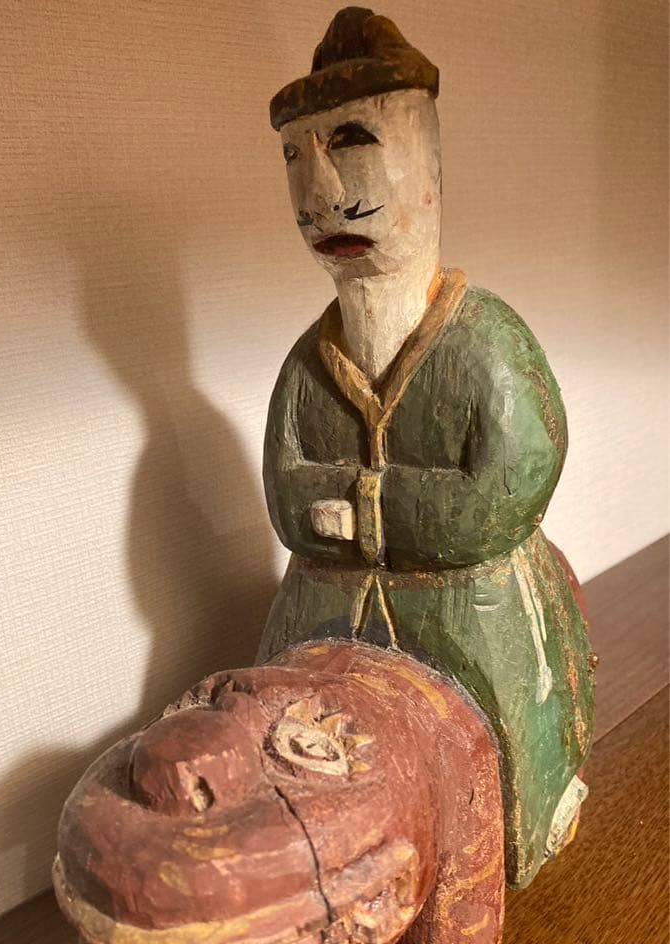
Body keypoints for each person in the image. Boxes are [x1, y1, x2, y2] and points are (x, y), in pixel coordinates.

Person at [259, 6, 595, 890]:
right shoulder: (307, 364)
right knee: (286, 755)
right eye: (294, 156)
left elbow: (504, 493)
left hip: (470, 618)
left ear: (431, 166)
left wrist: (359, 506)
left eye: (353, 142)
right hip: (324, 613)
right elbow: (287, 499)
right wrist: (367, 506)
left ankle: (511, 836)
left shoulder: (486, 342)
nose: (319, 189)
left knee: (490, 788)